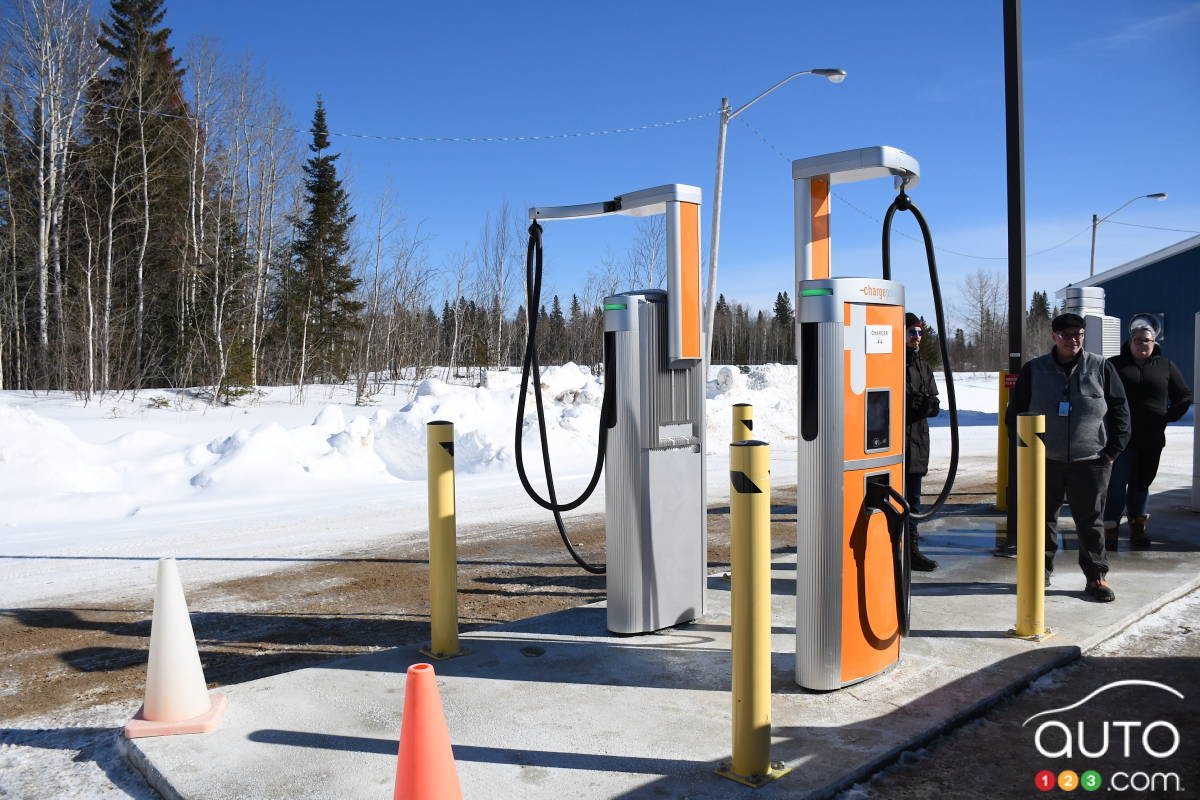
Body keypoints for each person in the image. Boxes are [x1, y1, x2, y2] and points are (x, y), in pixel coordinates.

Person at [1006, 313, 1130, 602]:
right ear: (1054, 337)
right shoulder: (1035, 369)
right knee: (1041, 518)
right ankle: (1039, 572)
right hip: (1044, 461)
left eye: (1079, 334)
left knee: (1090, 520)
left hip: (1092, 460)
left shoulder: (1101, 367)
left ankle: (1096, 577)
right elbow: (1015, 413)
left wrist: (1113, 451)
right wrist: (1026, 451)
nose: (1073, 340)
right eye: (1067, 335)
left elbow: (1120, 410)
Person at [1102, 323, 1193, 549]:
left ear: (1155, 343)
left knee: (1141, 484)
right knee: (1115, 484)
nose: (1143, 344)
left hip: (1151, 439)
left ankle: (1138, 529)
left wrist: (1167, 416)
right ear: (1130, 342)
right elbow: (1098, 395)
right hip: (1120, 438)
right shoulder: (1114, 365)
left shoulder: (1165, 366)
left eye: (1147, 340)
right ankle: (1109, 529)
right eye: (1138, 340)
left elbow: (1184, 396)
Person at [904, 312, 939, 571]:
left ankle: (911, 550)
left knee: (913, 502)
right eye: (911, 332)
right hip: (892, 443)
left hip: (916, 442)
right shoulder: (886, 362)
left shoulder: (923, 367)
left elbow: (935, 403)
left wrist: (926, 404)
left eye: (919, 332)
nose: (916, 337)